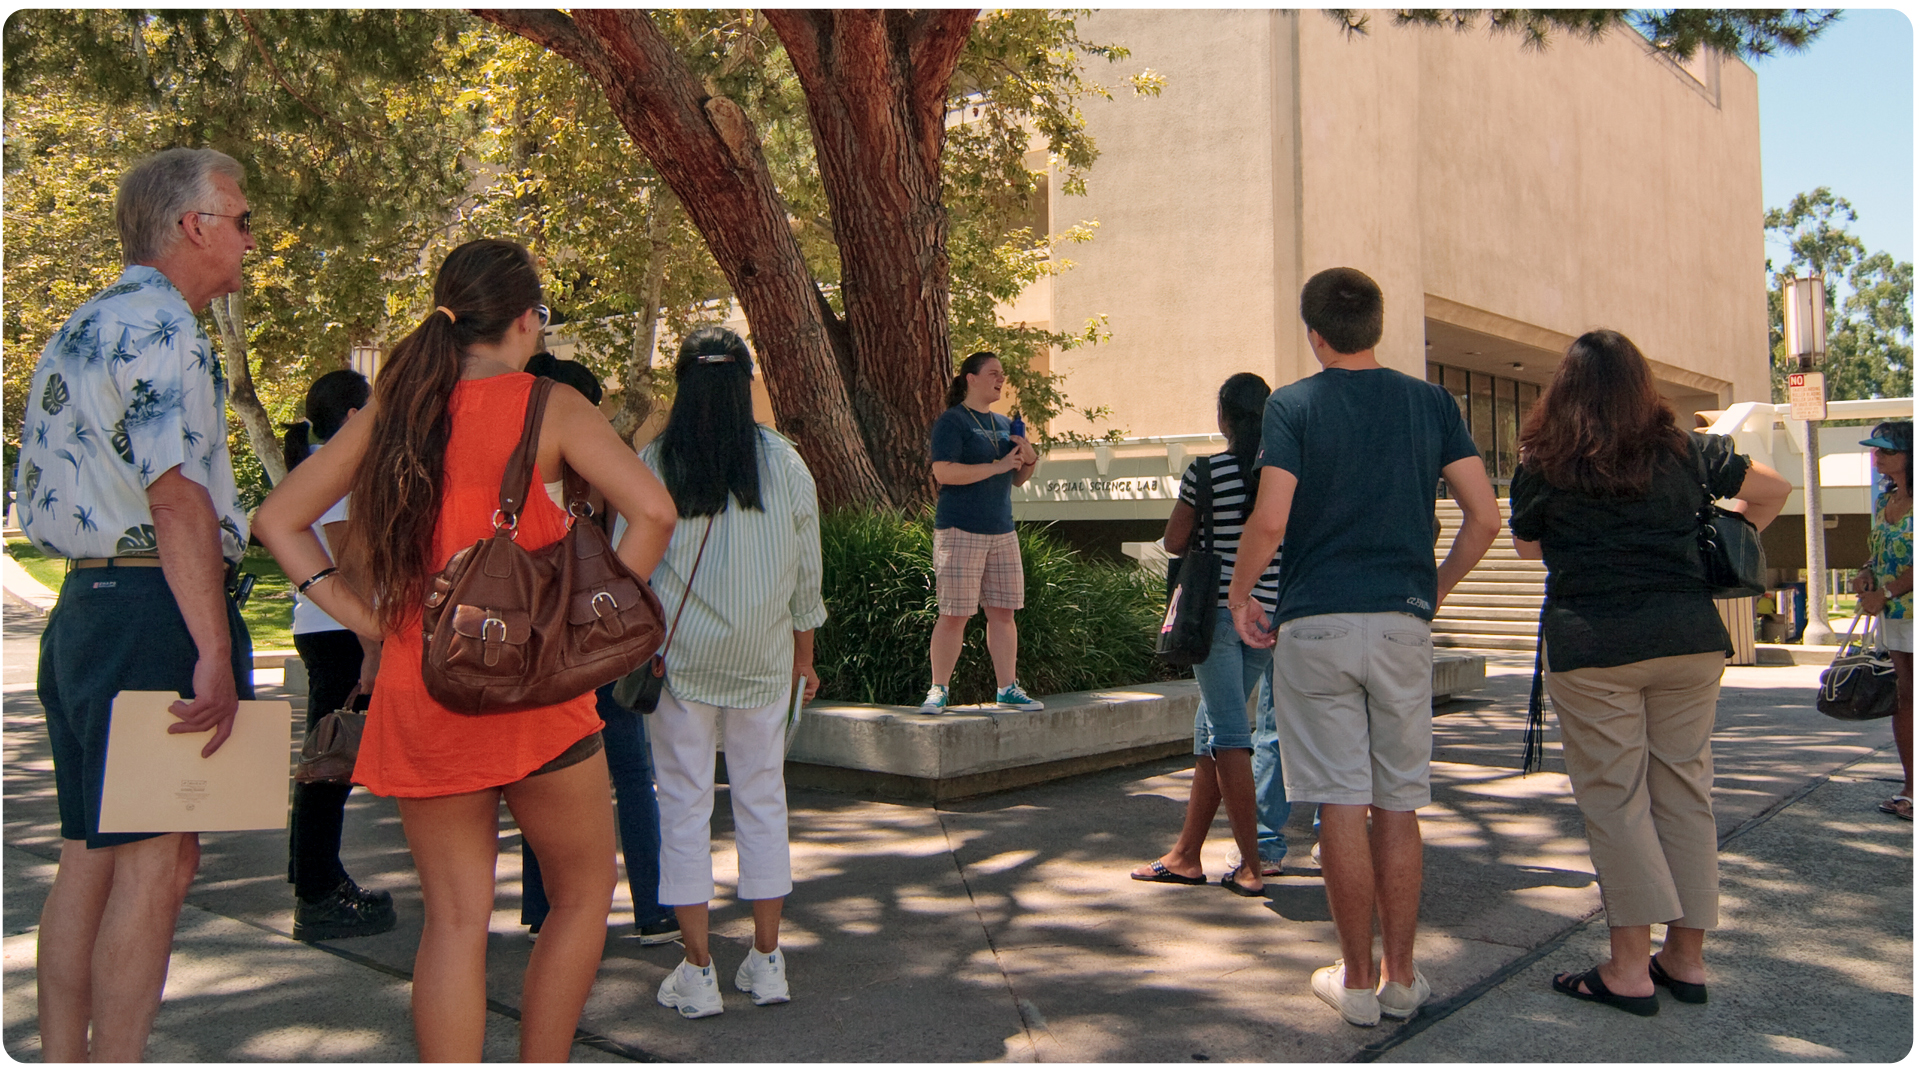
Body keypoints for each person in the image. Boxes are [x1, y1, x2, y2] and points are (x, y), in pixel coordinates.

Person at [252, 239, 677, 1061]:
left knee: (452, 923)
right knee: (583, 898)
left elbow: (277, 520)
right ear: (526, 319)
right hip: (540, 694)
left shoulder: (396, 408)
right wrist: (588, 616)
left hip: (425, 687)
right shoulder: (548, 405)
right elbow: (653, 511)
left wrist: (359, 615)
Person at [13, 147, 257, 1061]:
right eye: (240, 220)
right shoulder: (164, 327)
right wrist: (213, 649)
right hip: (153, 607)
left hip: (87, 611)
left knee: (91, 858)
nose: (248, 241)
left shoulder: (86, 322)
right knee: (158, 866)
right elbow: (176, 496)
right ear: (192, 226)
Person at [1228, 267, 1501, 1027]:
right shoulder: (1431, 402)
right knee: (1400, 803)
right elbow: (1484, 515)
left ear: (1316, 335)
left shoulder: (1294, 404)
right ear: (1376, 326)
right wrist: (1433, 589)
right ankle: (1403, 978)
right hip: (1401, 619)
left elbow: (1272, 517)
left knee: (1341, 806)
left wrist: (1241, 592)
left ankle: (1354, 981)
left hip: (1315, 623)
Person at [1509, 329, 1791, 1016]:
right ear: (1642, 385)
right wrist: (1729, 529)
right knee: (1685, 793)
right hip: (1688, 638)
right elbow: (1775, 490)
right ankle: (1685, 958)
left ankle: (1629, 968)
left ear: (1565, 388)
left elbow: (1525, 545)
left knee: (1617, 802)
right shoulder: (1690, 452)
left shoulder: (1544, 459)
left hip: (1594, 644)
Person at [627, 325, 826, 1019]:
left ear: (682, 386)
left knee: (682, 806)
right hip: (765, 660)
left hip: (680, 661)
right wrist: (806, 657)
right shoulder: (786, 463)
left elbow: (637, 571)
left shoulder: (655, 460)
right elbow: (808, 575)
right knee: (762, 800)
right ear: (747, 385)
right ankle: (769, 962)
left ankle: (697, 969)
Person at [515, 352, 681, 946]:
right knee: (632, 772)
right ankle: (654, 907)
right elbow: (647, 522)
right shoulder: (602, 468)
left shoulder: (512, 462)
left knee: (540, 770)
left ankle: (541, 908)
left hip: (533, 635)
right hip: (602, 630)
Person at [1130, 373, 1288, 897]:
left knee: (1228, 737)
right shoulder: (1284, 470)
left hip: (1219, 612)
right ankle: (1186, 855)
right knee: (1211, 732)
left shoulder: (1208, 470)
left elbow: (1175, 539)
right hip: (1269, 617)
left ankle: (1251, 864)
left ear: (1224, 416)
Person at [281, 369, 397, 941]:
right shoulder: (340, 471)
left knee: (324, 759)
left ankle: (314, 875)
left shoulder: (325, 465)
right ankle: (318, 892)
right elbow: (351, 567)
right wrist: (372, 647)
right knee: (331, 764)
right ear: (353, 418)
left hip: (327, 629)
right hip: (341, 632)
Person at [920, 351, 1042, 714]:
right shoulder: (953, 422)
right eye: (992, 373)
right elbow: (944, 473)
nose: (1000, 379)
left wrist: (1029, 459)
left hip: (1002, 530)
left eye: (1002, 374)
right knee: (954, 614)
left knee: (1004, 612)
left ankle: (1008, 687)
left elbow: (1016, 478)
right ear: (971, 378)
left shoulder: (1005, 424)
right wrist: (997, 465)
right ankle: (938, 689)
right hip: (960, 528)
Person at [1853, 420, 1913, 821]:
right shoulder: (1882, 501)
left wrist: (1886, 592)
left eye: (1887, 450)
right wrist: (1867, 573)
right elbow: (1880, 552)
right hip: (1893, 615)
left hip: (1903, 605)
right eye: (1876, 450)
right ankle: (1911, 788)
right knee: (1904, 698)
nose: (1878, 456)